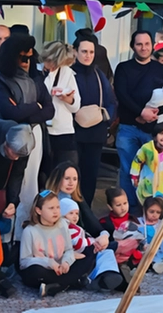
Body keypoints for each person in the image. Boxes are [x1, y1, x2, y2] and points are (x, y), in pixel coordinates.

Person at [113, 30, 163, 216]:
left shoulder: (162, 70)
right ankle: (129, 210)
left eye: (147, 44)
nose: (143, 48)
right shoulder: (123, 68)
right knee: (128, 170)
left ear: (152, 45)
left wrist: (154, 115)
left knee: (154, 170)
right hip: (128, 128)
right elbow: (121, 94)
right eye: (139, 44)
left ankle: (152, 210)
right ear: (132, 46)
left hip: (153, 130)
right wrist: (140, 112)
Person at [0, 33, 55, 224]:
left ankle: (28, 224)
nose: (27, 62)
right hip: (14, 134)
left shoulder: (36, 79)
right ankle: (12, 229)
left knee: (31, 182)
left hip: (36, 133)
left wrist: (27, 111)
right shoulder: (1, 79)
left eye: (29, 57)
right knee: (15, 181)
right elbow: (9, 111)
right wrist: (36, 106)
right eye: (22, 57)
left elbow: (50, 110)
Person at [18, 191, 94, 297]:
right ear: (38, 210)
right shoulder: (30, 231)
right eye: (51, 208)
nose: (56, 212)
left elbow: (68, 249)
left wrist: (66, 262)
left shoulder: (62, 224)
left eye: (58, 207)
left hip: (61, 268)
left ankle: (56, 286)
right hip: (44, 268)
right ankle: (69, 283)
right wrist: (49, 262)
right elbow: (24, 262)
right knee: (34, 271)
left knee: (89, 254)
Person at [70, 36, 116, 205]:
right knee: (72, 176)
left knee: (90, 177)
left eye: (91, 52)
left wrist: (107, 120)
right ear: (75, 52)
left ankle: (86, 213)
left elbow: (111, 101)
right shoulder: (68, 73)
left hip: (95, 134)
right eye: (84, 51)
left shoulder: (99, 74)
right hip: (74, 134)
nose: (87, 56)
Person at [58, 197, 123, 291]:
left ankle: (108, 275)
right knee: (108, 249)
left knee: (107, 251)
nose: (75, 216)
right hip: (76, 255)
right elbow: (78, 243)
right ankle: (105, 277)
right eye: (71, 213)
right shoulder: (67, 228)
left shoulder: (73, 227)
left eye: (76, 213)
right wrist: (92, 242)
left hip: (82, 251)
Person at [44, 162, 107, 246]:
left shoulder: (77, 198)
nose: (71, 183)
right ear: (57, 179)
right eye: (67, 178)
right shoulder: (45, 197)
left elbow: (91, 220)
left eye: (75, 179)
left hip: (81, 241)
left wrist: (104, 234)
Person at [41, 41, 81, 169]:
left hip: (63, 129)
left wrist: (67, 99)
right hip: (42, 128)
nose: (55, 66)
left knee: (65, 169)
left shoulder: (67, 72)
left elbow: (76, 106)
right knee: (44, 171)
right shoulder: (36, 71)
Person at [130, 118, 163, 205]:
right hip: (147, 187)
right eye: (161, 133)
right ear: (155, 136)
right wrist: (134, 177)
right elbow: (137, 162)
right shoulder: (146, 148)